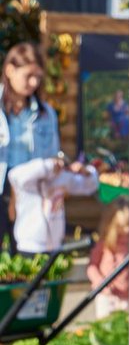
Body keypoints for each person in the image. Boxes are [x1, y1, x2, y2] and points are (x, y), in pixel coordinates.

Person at [0, 42, 61, 253]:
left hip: (30, 193)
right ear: (10, 71)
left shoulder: (46, 113)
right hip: (2, 187)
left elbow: (52, 155)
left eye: (38, 77)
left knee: (25, 254)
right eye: (28, 76)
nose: (34, 82)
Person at [7, 155, 98, 254]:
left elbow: (90, 186)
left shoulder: (62, 178)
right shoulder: (27, 182)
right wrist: (49, 166)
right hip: (30, 246)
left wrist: (85, 172)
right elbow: (14, 175)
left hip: (55, 246)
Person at [87, 197, 129, 318]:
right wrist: (100, 283)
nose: (127, 230)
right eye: (123, 226)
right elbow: (92, 267)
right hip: (107, 295)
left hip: (127, 295)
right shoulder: (104, 245)